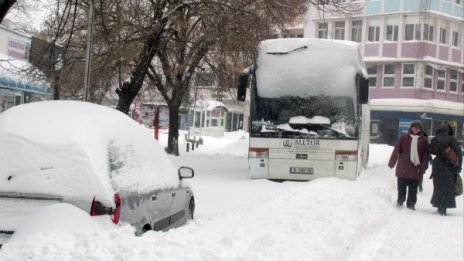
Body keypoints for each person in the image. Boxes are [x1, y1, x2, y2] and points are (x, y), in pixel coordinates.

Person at [388, 120, 429, 210]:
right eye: (414, 127)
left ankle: (411, 205)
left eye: (417, 128)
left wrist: (424, 166)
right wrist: (392, 162)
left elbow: (426, 155)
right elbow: (396, 150)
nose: (415, 129)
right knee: (401, 188)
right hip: (403, 168)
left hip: (415, 169)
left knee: (413, 190)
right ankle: (400, 201)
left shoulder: (424, 140)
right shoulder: (404, 137)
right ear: (411, 128)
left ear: (420, 129)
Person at [429, 123, 462, 216]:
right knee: (447, 187)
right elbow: (459, 154)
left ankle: (439, 205)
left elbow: (430, 150)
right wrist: (458, 168)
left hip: (438, 165)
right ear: (449, 131)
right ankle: (444, 208)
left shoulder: (435, 139)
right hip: (449, 166)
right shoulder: (452, 139)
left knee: (438, 186)